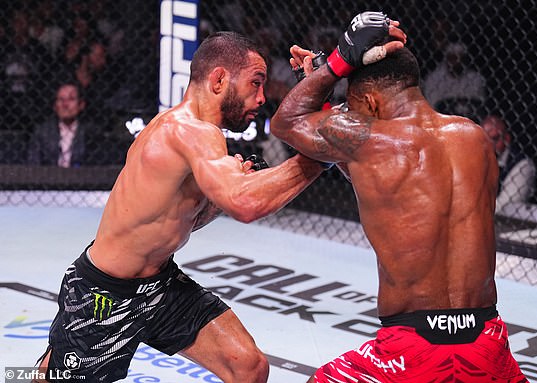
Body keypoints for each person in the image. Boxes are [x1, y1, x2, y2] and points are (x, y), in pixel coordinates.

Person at [36, 31, 327, 382]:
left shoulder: (197, 134)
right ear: (219, 79)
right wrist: (319, 155)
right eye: (255, 83)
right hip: (103, 295)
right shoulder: (188, 131)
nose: (262, 97)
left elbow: (173, 219)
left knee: (248, 366)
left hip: (160, 286)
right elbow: (246, 204)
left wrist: (212, 205)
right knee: (50, 377)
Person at [271, 11, 528, 382]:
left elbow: (287, 122)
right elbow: (376, 178)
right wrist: (327, 102)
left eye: (354, 107)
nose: (351, 115)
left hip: (412, 348)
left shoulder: (370, 140)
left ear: (371, 103)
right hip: (487, 343)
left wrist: (337, 62)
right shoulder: (475, 138)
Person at [27, 82, 101, 167]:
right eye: (61, 100)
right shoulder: (42, 132)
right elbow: (33, 164)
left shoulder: (91, 132)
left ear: (81, 104)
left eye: (71, 99)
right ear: (55, 105)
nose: (65, 105)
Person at [481, 114, 536, 215]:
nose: (488, 144)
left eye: (494, 138)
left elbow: (507, 206)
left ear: (506, 139)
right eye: (483, 140)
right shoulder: (477, 159)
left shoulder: (523, 165)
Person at [422, 41, 486, 122]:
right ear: (447, 58)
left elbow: (479, 108)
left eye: (461, 58)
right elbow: (432, 109)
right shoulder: (434, 79)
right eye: (454, 58)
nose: (457, 61)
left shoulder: (475, 79)